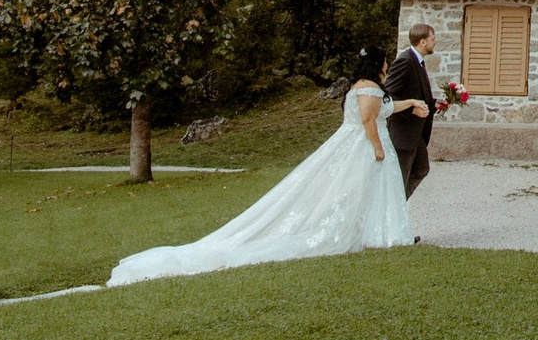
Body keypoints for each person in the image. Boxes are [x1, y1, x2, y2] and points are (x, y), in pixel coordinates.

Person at [106, 46, 425, 285]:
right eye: (385, 60)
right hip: (363, 148)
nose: (387, 65)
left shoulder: (365, 87)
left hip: (359, 146)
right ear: (378, 63)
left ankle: (378, 234)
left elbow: (383, 109)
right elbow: (369, 120)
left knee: (364, 192)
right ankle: (367, 234)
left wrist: (409, 103)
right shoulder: (368, 88)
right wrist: (379, 150)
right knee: (354, 191)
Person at [381, 23, 439, 197]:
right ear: (423, 42)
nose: (435, 42)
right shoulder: (405, 61)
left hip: (416, 132)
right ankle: (392, 210)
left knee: (421, 169)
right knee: (400, 178)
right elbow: (388, 96)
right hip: (403, 131)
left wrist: (438, 103)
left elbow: (418, 93)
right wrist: (411, 110)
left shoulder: (418, 62)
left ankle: (396, 208)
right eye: (433, 39)